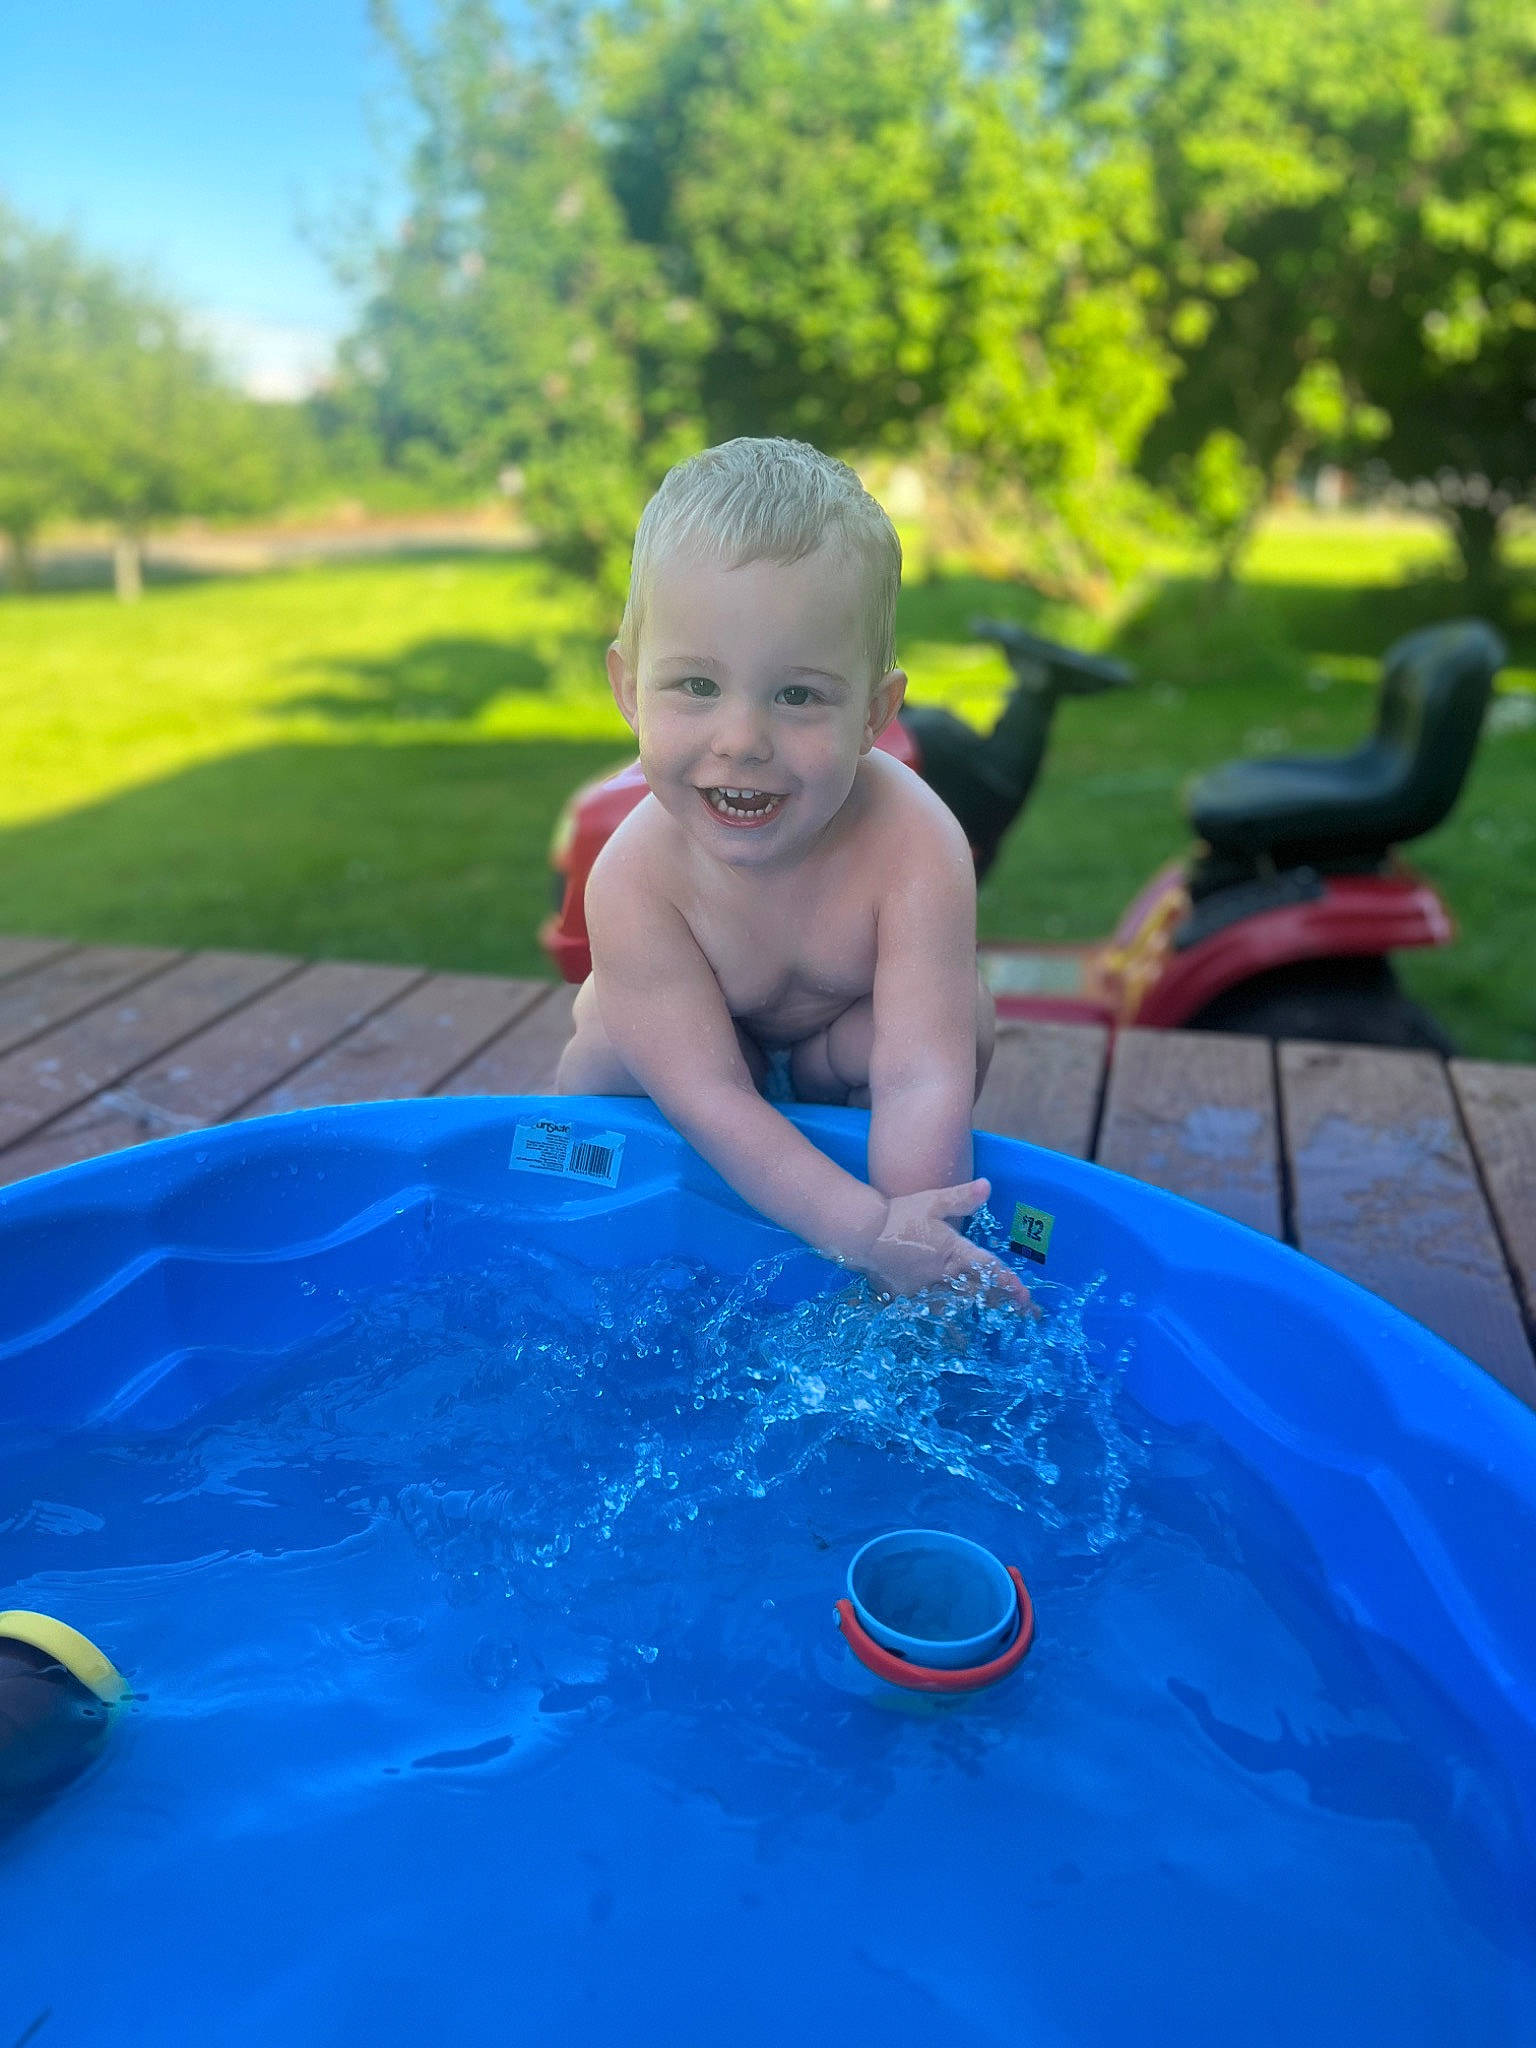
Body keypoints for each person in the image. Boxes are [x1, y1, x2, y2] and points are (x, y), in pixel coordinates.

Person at [555, 436, 1026, 1303]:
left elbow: (922, 1069)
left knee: (965, 1021)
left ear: (874, 715)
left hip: (821, 1054)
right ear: (628, 690)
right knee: (606, 1060)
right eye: (695, 686)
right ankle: (590, 1219)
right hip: (687, 1064)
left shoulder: (915, 845)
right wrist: (861, 1231)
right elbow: (710, 1098)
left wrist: (913, 1240)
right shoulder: (635, 879)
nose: (742, 739)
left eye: (799, 695)